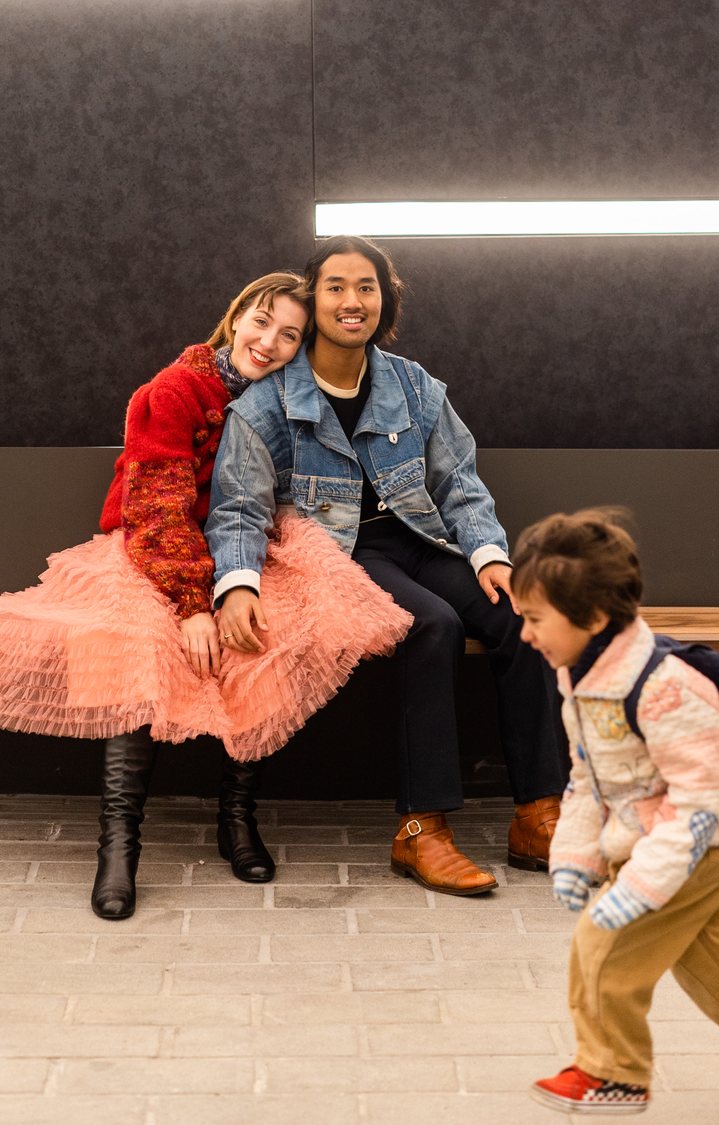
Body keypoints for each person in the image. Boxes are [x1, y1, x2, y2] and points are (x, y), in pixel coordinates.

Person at [0, 271, 411, 920]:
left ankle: (236, 816)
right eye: (261, 321)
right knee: (136, 650)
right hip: (152, 547)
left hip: (236, 546)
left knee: (267, 634)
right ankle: (118, 845)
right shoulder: (177, 388)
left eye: (289, 336)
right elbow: (157, 505)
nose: (269, 341)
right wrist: (194, 604)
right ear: (236, 315)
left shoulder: (280, 404)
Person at [206, 235, 569, 896]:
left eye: (366, 286)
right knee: (428, 624)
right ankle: (419, 831)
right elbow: (237, 506)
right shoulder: (264, 405)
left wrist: (490, 554)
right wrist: (235, 584)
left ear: (384, 298)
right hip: (338, 554)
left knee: (521, 616)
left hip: (419, 537)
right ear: (314, 300)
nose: (352, 300)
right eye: (336, 286)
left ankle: (538, 815)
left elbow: (460, 482)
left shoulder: (414, 385)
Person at [509, 508, 719, 1116]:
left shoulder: (666, 689)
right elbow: (590, 779)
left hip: (699, 839)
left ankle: (611, 1074)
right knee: (711, 957)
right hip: (662, 834)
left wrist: (638, 888)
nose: (526, 635)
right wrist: (574, 854)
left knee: (607, 943)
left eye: (536, 619)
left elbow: (695, 806)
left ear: (591, 618)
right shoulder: (581, 674)